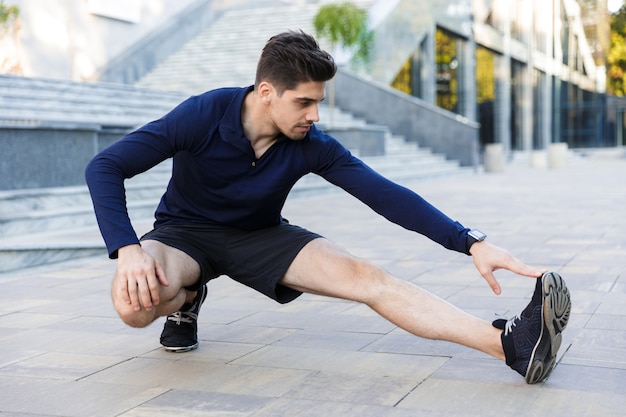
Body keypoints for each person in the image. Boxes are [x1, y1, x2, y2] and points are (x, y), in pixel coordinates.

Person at [85, 30, 571, 384]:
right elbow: (104, 168)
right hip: (184, 233)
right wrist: (128, 249)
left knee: (367, 278)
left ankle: (510, 344)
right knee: (132, 306)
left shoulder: (311, 143)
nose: (314, 115)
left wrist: (470, 242)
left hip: (260, 236)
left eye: (319, 102)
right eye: (304, 102)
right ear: (266, 92)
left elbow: (386, 196)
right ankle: (186, 301)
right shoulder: (202, 114)